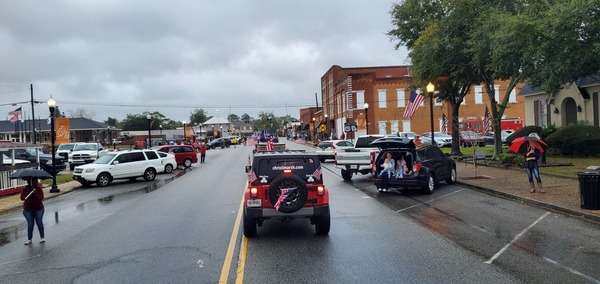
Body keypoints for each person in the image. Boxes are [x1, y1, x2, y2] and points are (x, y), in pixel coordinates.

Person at [20, 178, 45, 245]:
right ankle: (29, 239)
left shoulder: (38, 189)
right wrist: (29, 193)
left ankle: (42, 237)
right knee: (30, 223)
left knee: (39, 222)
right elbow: (22, 198)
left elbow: (41, 198)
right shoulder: (25, 189)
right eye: (32, 182)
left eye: (35, 182)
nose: (34, 183)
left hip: (38, 208)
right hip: (28, 209)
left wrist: (35, 193)